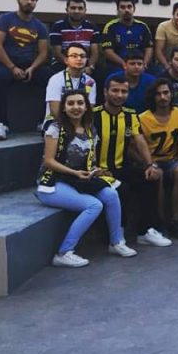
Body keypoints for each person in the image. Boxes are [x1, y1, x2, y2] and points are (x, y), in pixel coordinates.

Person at [36, 90, 136, 267]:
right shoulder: (55, 128)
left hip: (76, 180)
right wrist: (74, 173)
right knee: (94, 205)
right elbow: (49, 161)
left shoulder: (90, 130)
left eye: (80, 103)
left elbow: (89, 160)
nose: (76, 107)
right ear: (64, 108)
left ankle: (116, 242)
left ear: (86, 107)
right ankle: (64, 252)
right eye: (71, 103)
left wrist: (95, 170)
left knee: (111, 194)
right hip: (53, 182)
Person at [93, 75, 171, 248]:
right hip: (98, 171)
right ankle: (117, 238)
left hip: (121, 166)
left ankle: (145, 232)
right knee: (122, 189)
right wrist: (93, 168)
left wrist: (149, 165)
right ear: (105, 92)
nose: (119, 95)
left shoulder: (130, 114)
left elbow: (139, 140)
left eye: (124, 91)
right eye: (115, 90)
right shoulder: (93, 115)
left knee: (150, 177)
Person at [0, 0, 51, 141]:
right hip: (6, 64)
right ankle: (1, 124)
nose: (29, 2)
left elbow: (43, 52)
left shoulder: (40, 26)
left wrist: (32, 68)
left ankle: (43, 122)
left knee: (50, 79)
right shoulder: (4, 19)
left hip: (30, 66)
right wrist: (12, 67)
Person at [138, 79, 178, 240]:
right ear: (152, 97)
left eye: (166, 93)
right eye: (158, 94)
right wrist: (147, 163)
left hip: (172, 158)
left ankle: (175, 221)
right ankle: (160, 222)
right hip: (151, 160)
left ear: (171, 94)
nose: (162, 97)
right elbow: (134, 147)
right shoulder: (143, 118)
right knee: (157, 175)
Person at [43, 43, 97, 125]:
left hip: (81, 123)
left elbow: (89, 110)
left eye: (82, 56)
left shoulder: (90, 82)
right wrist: (71, 127)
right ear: (66, 60)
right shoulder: (56, 79)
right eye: (74, 56)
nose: (79, 59)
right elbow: (55, 111)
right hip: (56, 122)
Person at [101, 0, 153, 74]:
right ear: (118, 10)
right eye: (122, 7)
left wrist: (144, 64)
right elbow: (108, 52)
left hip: (140, 65)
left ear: (134, 9)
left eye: (129, 7)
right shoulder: (110, 27)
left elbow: (149, 48)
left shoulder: (143, 26)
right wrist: (125, 64)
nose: (126, 10)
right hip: (118, 66)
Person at [48, 0, 100, 74]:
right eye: (73, 8)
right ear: (67, 10)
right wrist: (73, 66)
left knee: (100, 73)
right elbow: (57, 53)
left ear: (85, 11)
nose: (76, 11)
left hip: (84, 64)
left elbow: (95, 52)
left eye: (80, 8)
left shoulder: (92, 27)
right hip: (62, 64)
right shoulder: (57, 26)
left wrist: (90, 67)